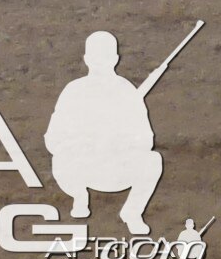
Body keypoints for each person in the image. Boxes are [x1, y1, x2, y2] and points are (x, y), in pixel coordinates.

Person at [45, 30, 166, 234]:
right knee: (60, 158)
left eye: (106, 57)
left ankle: (132, 212)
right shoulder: (73, 90)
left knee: (153, 160)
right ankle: (79, 197)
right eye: (95, 57)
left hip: (116, 169)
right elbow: (52, 138)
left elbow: (146, 139)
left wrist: (122, 142)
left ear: (115, 59)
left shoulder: (127, 91)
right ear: (86, 59)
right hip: (82, 168)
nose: (100, 62)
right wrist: (80, 143)